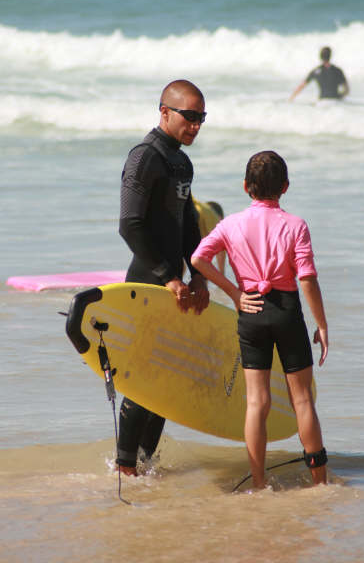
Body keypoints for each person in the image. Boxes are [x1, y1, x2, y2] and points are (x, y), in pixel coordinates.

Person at [191, 150, 328, 488]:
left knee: (257, 401)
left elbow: (198, 259)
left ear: (245, 187)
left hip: (250, 312)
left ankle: (257, 483)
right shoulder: (295, 225)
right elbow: (307, 278)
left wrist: (234, 293)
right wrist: (321, 324)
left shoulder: (230, 224)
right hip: (285, 310)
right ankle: (319, 482)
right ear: (285, 186)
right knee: (302, 400)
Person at [117, 79, 210, 476]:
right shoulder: (145, 157)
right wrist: (166, 277)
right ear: (165, 111)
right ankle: (124, 467)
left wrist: (199, 276)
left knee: (168, 378)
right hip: (147, 284)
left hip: (175, 284)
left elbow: (189, 226)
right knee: (144, 378)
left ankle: (147, 464)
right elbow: (130, 226)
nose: (196, 124)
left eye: (201, 118)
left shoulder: (182, 162)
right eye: (189, 116)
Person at [192, 198, 226, 274]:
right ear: (220, 218)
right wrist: (222, 273)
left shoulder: (202, 209)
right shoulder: (213, 217)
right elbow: (221, 251)